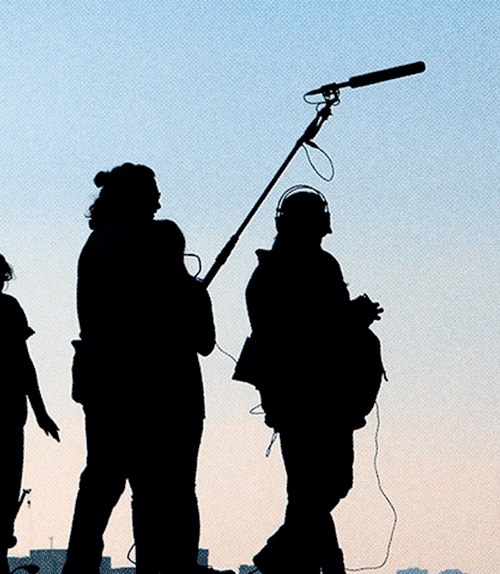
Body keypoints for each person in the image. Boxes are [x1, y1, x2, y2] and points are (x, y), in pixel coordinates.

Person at [62, 163, 220, 574]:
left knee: (106, 484)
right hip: (153, 390)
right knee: (160, 491)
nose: (158, 203)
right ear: (133, 198)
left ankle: (82, 567)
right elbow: (200, 338)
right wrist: (189, 292)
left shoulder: (101, 243)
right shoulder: (142, 245)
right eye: (152, 194)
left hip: (111, 386)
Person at [235, 188, 383, 574]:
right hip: (313, 396)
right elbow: (308, 334)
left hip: (306, 395)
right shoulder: (302, 269)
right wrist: (353, 318)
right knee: (321, 486)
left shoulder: (277, 271)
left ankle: (302, 563)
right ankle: (288, 560)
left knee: (310, 490)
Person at [0, 247, 59, 573]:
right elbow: (23, 364)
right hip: (5, 419)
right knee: (0, 500)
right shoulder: (7, 309)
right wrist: (40, 411)